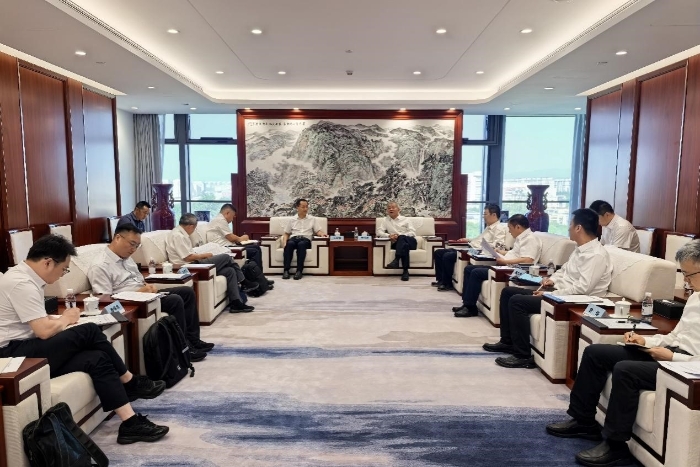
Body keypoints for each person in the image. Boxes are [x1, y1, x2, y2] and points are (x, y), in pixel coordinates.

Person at [0, 235, 169, 444]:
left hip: (26, 346)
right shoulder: (21, 283)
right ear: (48, 263)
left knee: (96, 358)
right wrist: (66, 318)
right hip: (13, 355)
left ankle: (130, 424)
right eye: (64, 269)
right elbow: (43, 331)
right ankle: (130, 381)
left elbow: (34, 321)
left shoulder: (26, 278)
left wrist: (64, 319)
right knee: (89, 330)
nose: (62, 275)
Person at [545, 239, 700, 467]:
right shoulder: (695, 297)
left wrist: (673, 357)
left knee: (626, 370)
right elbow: (675, 336)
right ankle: (583, 420)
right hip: (670, 354)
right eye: (683, 275)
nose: (685, 282)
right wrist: (645, 341)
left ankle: (616, 446)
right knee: (596, 353)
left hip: (686, 367)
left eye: (689, 275)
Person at [483, 209, 613, 369]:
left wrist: (550, 295)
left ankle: (522, 355)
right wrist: (552, 280)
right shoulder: (580, 249)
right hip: (560, 293)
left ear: (578, 228)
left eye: (571, 225)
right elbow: (563, 271)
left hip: (574, 301)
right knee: (508, 292)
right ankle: (507, 342)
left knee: (517, 302)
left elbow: (583, 289)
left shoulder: (596, 255)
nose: (568, 228)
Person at [88, 224, 213, 362]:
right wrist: (139, 292)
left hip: (146, 296)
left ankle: (193, 340)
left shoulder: (127, 258)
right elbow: (105, 301)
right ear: (117, 238)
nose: (134, 249)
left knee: (186, 292)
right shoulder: (100, 265)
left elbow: (139, 279)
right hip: (132, 303)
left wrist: (147, 287)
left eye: (137, 246)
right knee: (175, 300)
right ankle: (183, 349)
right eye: (132, 244)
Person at [453, 214, 542, 317]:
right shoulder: (521, 238)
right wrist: (499, 252)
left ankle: (470, 308)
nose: (509, 232)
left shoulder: (530, 239)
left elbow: (527, 260)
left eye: (510, 228)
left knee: (476, 272)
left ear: (518, 227)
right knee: (469, 268)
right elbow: (515, 253)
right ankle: (466, 304)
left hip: (515, 271)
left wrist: (505, 262)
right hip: (507, 266)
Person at [166, 213, 257, 312]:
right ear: (190, 226)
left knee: (230, 271)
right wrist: (205, 255)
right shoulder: (178, 236)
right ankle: (243, 282)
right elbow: (188, 257)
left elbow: (188, 253)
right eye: (194, 228)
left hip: (193, 262)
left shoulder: (181, 233)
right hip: (188, 267)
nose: (194, 231)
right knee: (226, 257)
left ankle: (236, 303)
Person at [432, 203, 508, 291]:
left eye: (485, 214)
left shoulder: (499, 228)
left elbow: (498, 245)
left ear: (494, 215)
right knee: (439, 252)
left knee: (448, 256)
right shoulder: (489, 227)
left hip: (477, 251)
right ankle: (440, 280)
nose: (483, 216)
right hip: (471, 247)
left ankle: (447, 283)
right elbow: (479, 239)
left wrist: (484, 246)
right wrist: (468, 240)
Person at [206, 204, 269, 281]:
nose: (232, 219)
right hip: (223, 248)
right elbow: (231, 238)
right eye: (232, 216)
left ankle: (260, 277)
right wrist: (242, 238)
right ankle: (259, 279)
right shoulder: (220, 220)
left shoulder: (219, 219)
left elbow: (230, 237)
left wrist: (240, 239)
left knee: (256, 248)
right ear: (227, 213)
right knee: (255, 251)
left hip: (228, 246)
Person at [281, 198, 327, 280]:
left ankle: (299, 271)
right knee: (289, 244)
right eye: (303, 207)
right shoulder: (292, 220)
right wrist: (285, 242)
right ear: (297, 207)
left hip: (305, 240)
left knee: (301, 244)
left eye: (306, 207)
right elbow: (286, 233)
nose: (305, 209)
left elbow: (318, 231)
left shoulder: (312, 219)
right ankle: (286, 271)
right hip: (294, 238)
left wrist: (322, 234)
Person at [376, 202, 416, 281]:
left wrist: (400, 236)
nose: (391, 209)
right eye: (389, 208)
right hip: (397, 244)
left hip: (410, 241)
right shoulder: (385, 220)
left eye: (393, 207)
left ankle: (396, 260)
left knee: (402, 238)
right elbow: (379, 232)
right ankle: (405, 271)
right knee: (405, 246)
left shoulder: (406, 219)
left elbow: (413, 233)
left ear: (399, 209)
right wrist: (389, 236)